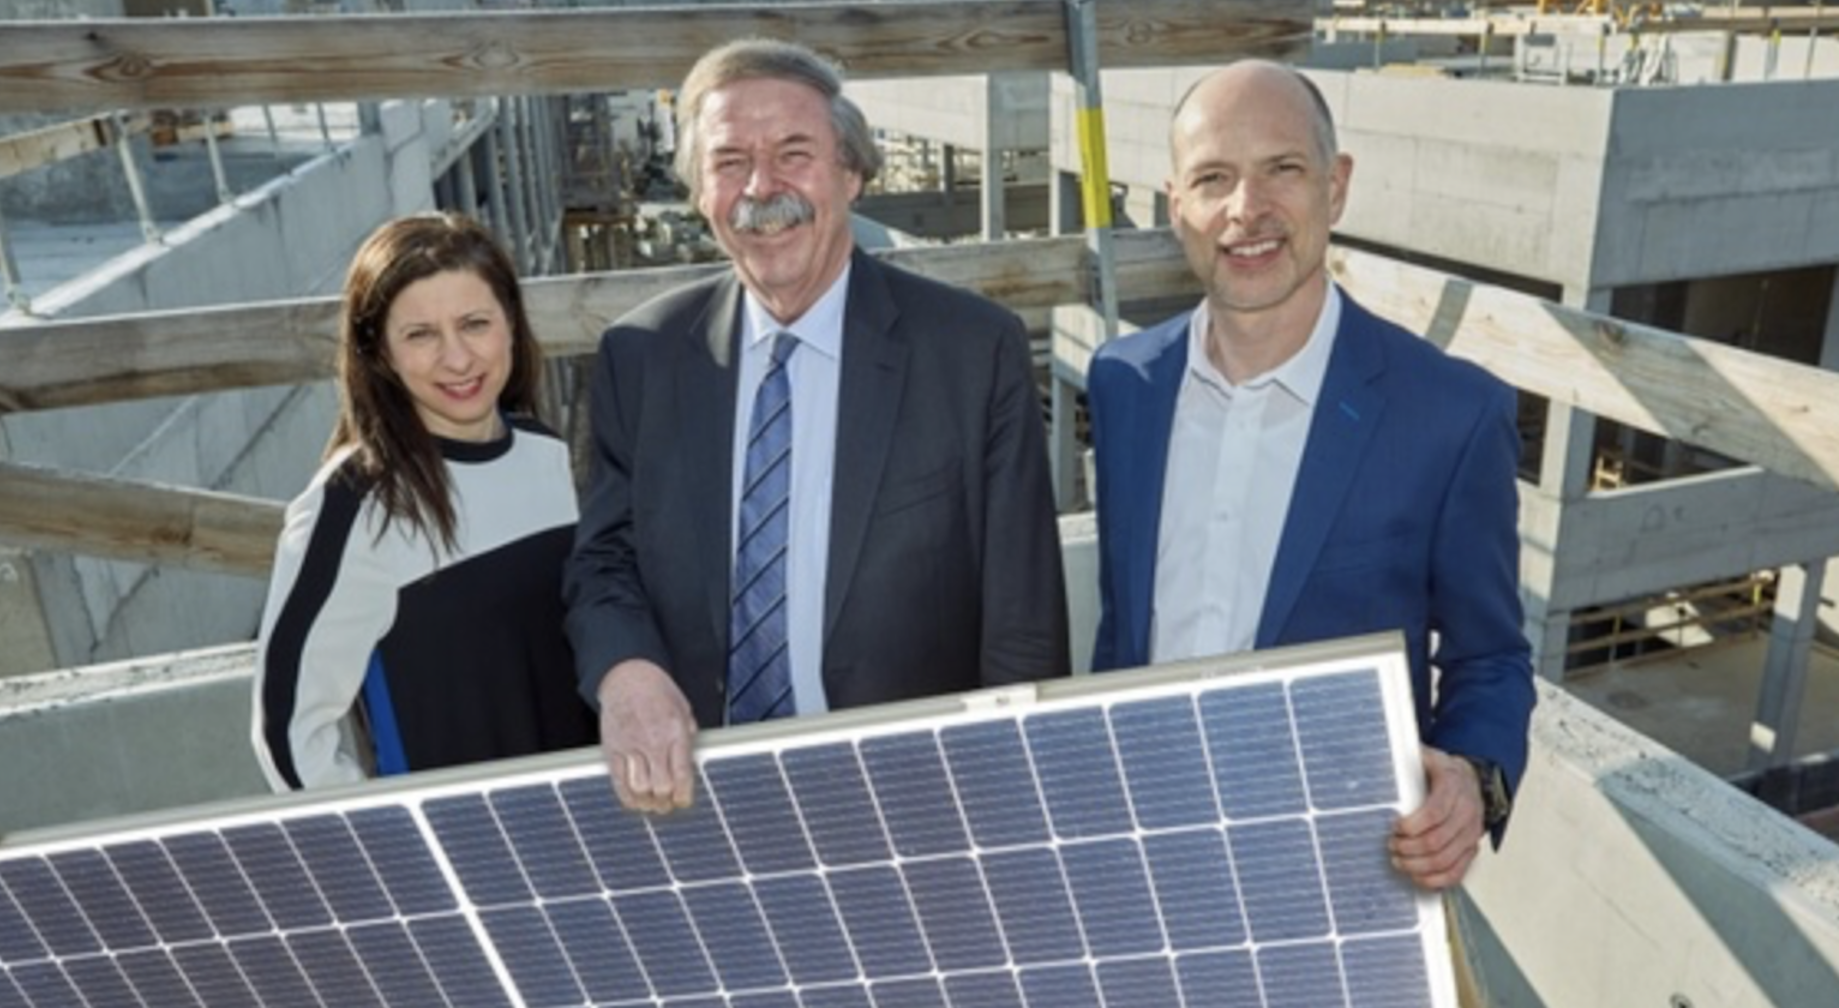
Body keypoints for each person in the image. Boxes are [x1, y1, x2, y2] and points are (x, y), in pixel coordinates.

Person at [565, 38, 1069, 814]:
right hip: (697, 791)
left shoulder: (971, 353)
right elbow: (603, 562)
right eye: (730, 162)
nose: (762, 188)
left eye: (794, 153)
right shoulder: (641, 357)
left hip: (917, 794)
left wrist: (1003, 801)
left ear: (853, 172)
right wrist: (626, 672)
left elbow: (1023, 625)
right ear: (700, 192)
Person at [1086, 60, 1535, 889]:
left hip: (1341, 873)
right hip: (1145, 848)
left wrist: (1473, 779)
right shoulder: (1124, 386)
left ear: (1337, 185)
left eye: (1281, 169)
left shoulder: (1450, 413)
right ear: (1174, 202)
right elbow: (1125, 630)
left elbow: (1491, 657)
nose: (1245, 210)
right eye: (1212, 178)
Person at [252, 212, 595, 791]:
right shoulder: (356, 503)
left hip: (589, 817)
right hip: (465, 849)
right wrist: (392, 845)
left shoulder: (546, 455)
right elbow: (289, 733)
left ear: (511, 323)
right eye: (420, 335)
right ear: (378, 351)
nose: (457, 359)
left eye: (475, 323)